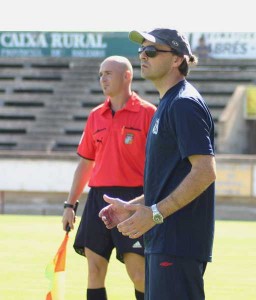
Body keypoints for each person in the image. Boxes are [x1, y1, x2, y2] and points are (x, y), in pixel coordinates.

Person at [99, 29, 216, 300]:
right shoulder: (168, 103)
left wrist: (154, 213)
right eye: (141, 51)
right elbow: (170, 180)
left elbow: (205, 171)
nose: (143, 56)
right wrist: (135, 207)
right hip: (163, 241)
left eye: (151, 51)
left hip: (177, 243)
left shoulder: (184, 104)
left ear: (177, 59)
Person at [62, 55, 156, 300]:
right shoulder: (95, 115)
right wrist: (70, 205)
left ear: (127, 76)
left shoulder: (149, 113)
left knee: (139, 273)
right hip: (97, 198)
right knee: (94, 270)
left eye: (108, 73)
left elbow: (160, 164)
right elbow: (85, 163)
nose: (102, 78)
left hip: (133, 200)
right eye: (100, 74)